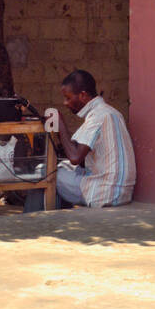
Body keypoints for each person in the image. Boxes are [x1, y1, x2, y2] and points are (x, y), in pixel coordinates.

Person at [52, 69, 136, 208]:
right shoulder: (111, 112)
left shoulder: (97, 116)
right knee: (65, 167)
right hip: (123, 192)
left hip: (106, 193)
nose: (65, 103)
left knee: (52, 174)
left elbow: (75, 158)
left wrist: (60, 124)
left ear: (83, 95)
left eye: (68, 98)